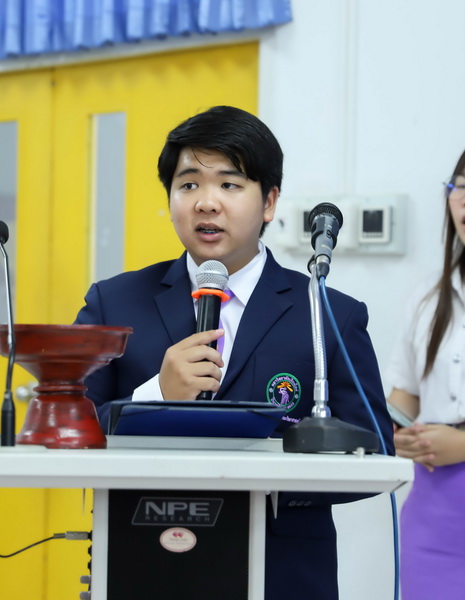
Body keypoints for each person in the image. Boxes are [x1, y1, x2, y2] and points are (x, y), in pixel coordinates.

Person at [74, 105, 394, 600]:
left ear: (269, 202)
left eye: (229, 184)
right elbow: (67, 430)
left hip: (282, 576)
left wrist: (264, 482)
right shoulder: (114, 303)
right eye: (188, 185)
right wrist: (156, 394)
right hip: (143, 564)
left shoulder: (328, 314)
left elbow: (375, 450)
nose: (207, 202)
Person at [388, 148, 465, 600]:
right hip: (434, 517)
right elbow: (406, 396)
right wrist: (396, 432)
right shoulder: (428, 299)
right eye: (461, 188)